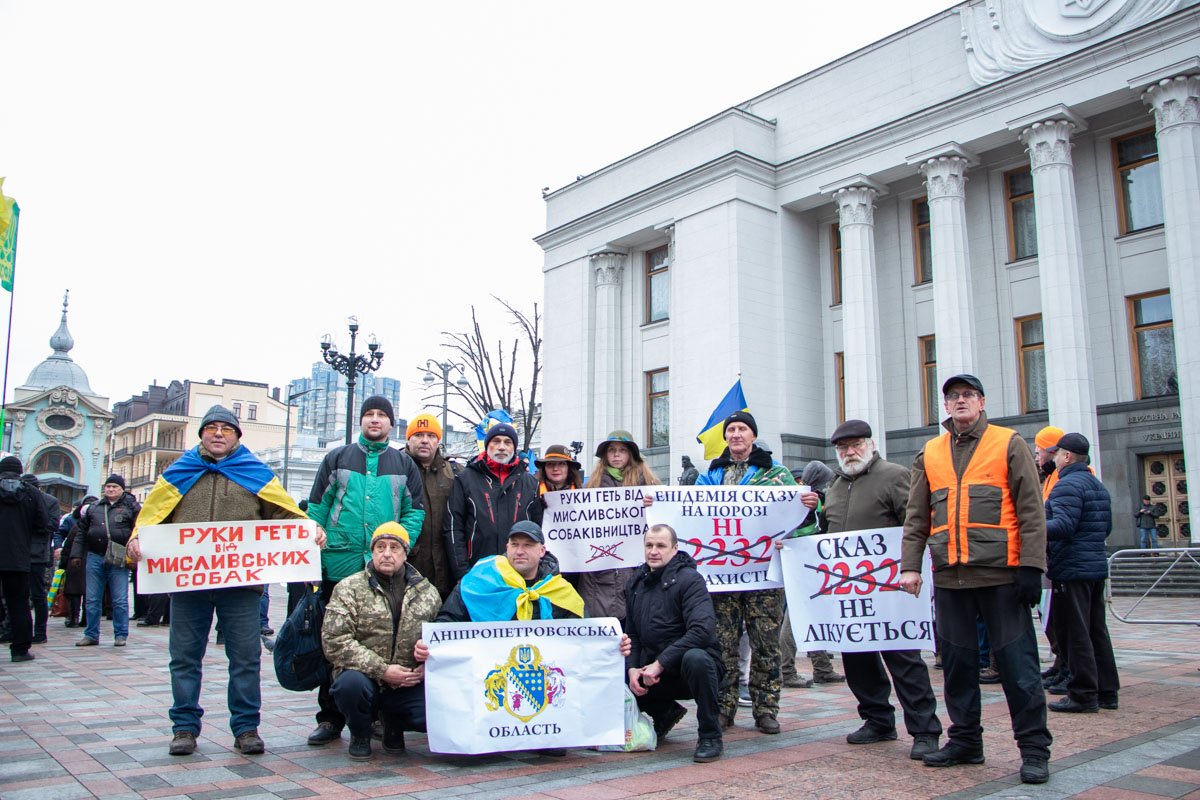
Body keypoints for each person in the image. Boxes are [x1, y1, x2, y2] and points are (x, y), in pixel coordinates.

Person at [126, 405, 317, 757]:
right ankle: (184, 727)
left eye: (226, 429)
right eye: (210, 428)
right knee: (184, 657)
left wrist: (309, 532)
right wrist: (137, 539)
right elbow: (151, 517)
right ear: (201, 434)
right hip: (188, 584)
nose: (218, 434)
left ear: (237, 436)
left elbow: (285, 515)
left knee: (244, 658)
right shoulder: (177, 473)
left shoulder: (255, 473)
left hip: (241, 588)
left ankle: (246, 728)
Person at [900, 374, 1051, 785]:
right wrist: (910, 566)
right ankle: (966, 741)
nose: (960, 401)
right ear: (945, 407)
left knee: (1019, 670)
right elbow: (917, 517)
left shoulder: (1009, 442)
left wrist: (1031, 568)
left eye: (967, 395)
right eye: (952, 397)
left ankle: (1035, 750)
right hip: (951, 579)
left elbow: (1031, 510)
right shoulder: (930, 451)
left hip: (1001, 578)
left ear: (982, 402)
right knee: (957, 668)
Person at [305, 395, 425, 747]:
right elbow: (316, 508)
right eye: (369, 415)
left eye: (382, 416)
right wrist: (314, 536)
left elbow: (413, 512)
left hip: (386, 567)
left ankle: (373, 715)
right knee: (333, 642)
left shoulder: (403, 464)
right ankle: (330, 717)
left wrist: (398, 545)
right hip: (339, 563)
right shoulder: (337, 458)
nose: (375, 420)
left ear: (391, 424)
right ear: (361, 421)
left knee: (382, 640)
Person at [820, 420, 942, 760]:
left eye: (856, 444)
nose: (849, 452)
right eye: (843, 448)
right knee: (857, 658)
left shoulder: (895, 475)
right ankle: (877, 719)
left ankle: (924, 730)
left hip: (890, 590)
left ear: (870, 444)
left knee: (903, 660)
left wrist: (912, 568)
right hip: (849, 592)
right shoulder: (835, 484)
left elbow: (916, 524)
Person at [696, 410, 818, 735]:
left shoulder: (776, 475)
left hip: (764, 575)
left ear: (752, 436)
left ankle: (766, 710)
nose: (736, 434)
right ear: (725, 437)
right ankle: (724, 708)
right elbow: (688, 513)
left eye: (742, 429)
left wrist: (808, 506)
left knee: (766, 643)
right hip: (722, 576)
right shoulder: (710, 476)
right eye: (731, 430)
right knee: (723, 644)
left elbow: (802, 524)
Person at [323, 522, 442, 761]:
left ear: (405, 553)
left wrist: (425, 666)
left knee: (435, 714)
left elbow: (440, 639)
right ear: (372, 551)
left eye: (394, 547)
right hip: (364, 677)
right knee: (350, 687)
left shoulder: (428, 592)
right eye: (380, 547)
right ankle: (359, 732)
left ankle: (394, 727)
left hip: (407, 681)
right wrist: (383, 670)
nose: (387, 553)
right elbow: (334, 641)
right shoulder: (349, 588)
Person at [626, 524, 724, 763]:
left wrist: (660, 663)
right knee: (615, 668)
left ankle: (710, 736)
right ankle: (665, 713)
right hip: (655, 668)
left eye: (661, 546)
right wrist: (631, 668)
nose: (653, 551)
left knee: (697, 658)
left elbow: (702, 630)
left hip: (690, 669)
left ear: (675, 548)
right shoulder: (636, 582)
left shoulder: (691, 580)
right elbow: (633, 634)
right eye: (649, 545)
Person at [1044, 433, 1119, 714]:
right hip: (1094, 566)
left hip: (1072, 568)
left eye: (1056, 453)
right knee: (1096, 630)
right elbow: (1106, 527)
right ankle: (1107, 691)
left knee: (1076, 632)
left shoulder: (1066, 486)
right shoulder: (1095, 484)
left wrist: (1033, 527)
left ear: (1067, 456)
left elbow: (1062, 525)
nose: (1053, 458)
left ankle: (1084, 693)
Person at [445, 422, 542, 581]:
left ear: (514, 447)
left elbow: (538, 530)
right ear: (487, 445)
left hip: (520, 576)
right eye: (496, 441)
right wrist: (461, 573)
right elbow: (453, 529)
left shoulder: (531, 484)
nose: (502, 447)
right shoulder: (465, 479)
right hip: (477, 573)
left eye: (507, 442)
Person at [581, 431, 660, 623]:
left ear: (631, 454)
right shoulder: (591, 488)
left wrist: (654, 506)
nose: (616, 455)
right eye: (612, 450)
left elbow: (661, 526)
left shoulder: (650, 486)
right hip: (600, 573)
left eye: (622, 450)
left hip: (636, 567)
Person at [780, 461, 844, 689]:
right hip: (804, 563)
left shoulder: (813, 501)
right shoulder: (806, 503)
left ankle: (822, 667)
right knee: (795, 615)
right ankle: (786, 669)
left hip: (810, 563)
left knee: (812, 612)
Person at [72, 474, 139, 647]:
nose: (110, 489)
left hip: (118, 557)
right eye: (108, 486)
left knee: (120, 600)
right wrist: (76, 554)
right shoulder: (94, 507)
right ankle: (91, 634)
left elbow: (138, 530)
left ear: (122, 489)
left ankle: (121, 634)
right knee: (92, 599)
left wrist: (134, 554)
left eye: (114, 487)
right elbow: (81, 533)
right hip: (95, 555)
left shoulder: (131, 507)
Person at [0, 456, 50, 662]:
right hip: (18, 557)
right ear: (20, 471)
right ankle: (20, 649)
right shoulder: (32, 493)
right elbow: (44, 524)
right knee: (19, 603)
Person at [405, 413, 456, 600]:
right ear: (408, 440)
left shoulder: (453, 472)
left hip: (446, 569)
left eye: (431, 436)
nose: (424, 441)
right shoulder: (397, 469)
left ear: (438, 441)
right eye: (418, 435)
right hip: (409, 569)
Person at [20, 474, 59, 645]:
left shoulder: (49, 501)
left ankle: (40, 632)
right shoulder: (17, 498)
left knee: (38, 594)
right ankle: (17, 631)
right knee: (18, 595)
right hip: (18, 552)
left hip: (37, 553)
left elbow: (51, 525)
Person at [57, 496, 96, 628]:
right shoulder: (97, 527)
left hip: (75, 563)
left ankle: (74, 618)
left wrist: (63, 563)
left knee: (74, 593)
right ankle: (85, 619)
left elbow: (68, 546)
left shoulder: (77, 526)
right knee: (88, 593)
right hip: (87, 562)